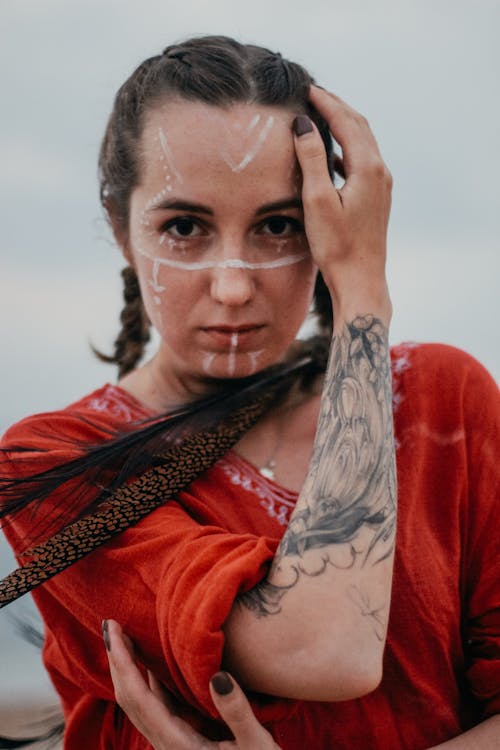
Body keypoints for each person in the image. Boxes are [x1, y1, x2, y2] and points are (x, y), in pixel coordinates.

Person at [0, 35, 498, 750]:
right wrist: (360, 304)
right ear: (120, 229)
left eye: (277, 226)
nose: (233, 288)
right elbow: (327, 648)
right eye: (184, 226)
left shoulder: (442, 405)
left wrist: (362, 289)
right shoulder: (54, 459)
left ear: (333, 226)